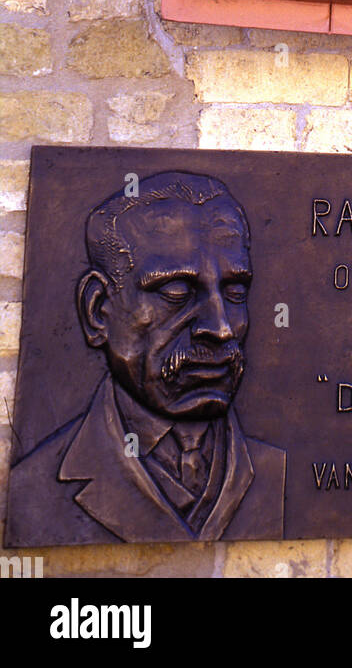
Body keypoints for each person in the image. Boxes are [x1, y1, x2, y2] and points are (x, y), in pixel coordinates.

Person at [6, 172, 286, 544]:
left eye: (234, 291)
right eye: (175, 291)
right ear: (98, 310)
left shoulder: (284, 474)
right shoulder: (32, 490)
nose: (220, 329)